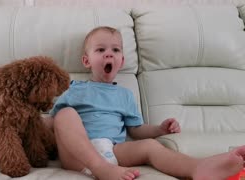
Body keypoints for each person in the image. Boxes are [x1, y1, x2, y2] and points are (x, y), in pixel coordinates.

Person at [48, 26, 245, 180]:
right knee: (64, 114)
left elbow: (136, 130)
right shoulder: (75, 88)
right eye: (101, 50)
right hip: (80, 155)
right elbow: (55, 123)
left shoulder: (124, 95)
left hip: (113, 150)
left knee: (150, 146)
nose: (109, 54)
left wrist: (160, 129)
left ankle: (198, 167)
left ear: (122, 61)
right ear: (86, 61)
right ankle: (101, 169)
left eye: (115, 50)